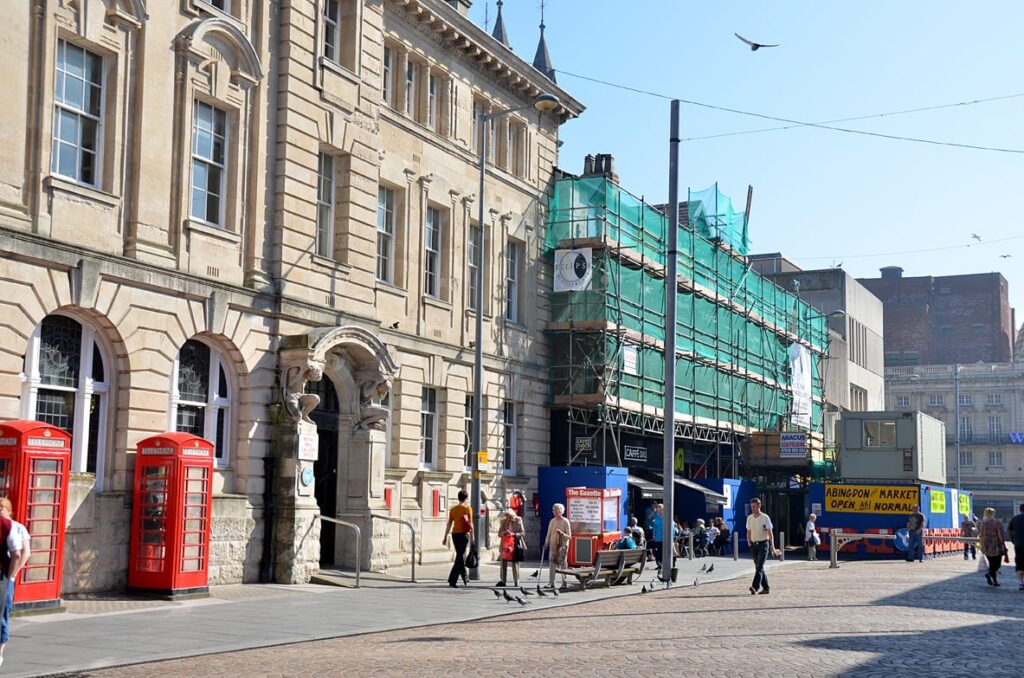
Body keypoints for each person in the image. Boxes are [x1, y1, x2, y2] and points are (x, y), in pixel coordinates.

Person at [0, 498, 26, 667]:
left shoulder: (17, 527)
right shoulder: (7, 526)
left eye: (3, 507)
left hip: (6, 577)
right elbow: (16, 553)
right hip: (3, 576)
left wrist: (12, 574)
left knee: (4, 614)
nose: (1, 510)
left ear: (10, 510)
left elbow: (25, 553)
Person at [746, 497, 780, 595]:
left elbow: (770, 532)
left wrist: (772, 546)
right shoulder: (749, 518)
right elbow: (748, 531)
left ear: (759, 506)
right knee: (758, 567)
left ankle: (755, 587)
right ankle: (766, 588)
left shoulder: (765, 517)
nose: (752, 508)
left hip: (763, 544)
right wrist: (749, 542)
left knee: (759, 565)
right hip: (754, 544)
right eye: (751, 506)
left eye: (754, 506)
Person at [442, 490, 473, 588]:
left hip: (455, 534)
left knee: (459, 556)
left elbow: (449, 524)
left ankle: (465, 577)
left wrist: (445, 536)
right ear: (466, 498)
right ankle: (452, 579)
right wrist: (473, 537)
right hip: (464, 534)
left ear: (458, 497)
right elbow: (471, 524)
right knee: (460, 556)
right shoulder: (468, 509)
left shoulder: (453, 509)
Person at [979, 507, 1007, 587]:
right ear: (993, 514)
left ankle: (994, 581)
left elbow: (981, 534)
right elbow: (1000, 534)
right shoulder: (997, 522)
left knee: (991, 562)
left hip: (986, 543)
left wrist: (982, 544)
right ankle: (989, 574)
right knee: (997, 563)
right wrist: (1003, 544)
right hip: (995, 542)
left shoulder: (983, 523)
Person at [545, 503, 571, 590]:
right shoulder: (552, 521)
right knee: (552, 563)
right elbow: (549, 533)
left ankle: (564, 583)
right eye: (554, 510)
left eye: (557, 510)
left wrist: (562, 533)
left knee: (562, 564)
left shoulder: (565, 521)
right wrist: (546, 543)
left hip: (562, 546)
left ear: (561, 511)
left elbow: (569, 536)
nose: (555, 512)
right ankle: (551, 582)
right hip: (553, 545)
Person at [497, 508, 525, 587]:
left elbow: (523, 533)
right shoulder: (503, 521)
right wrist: (504, 532)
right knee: (503, 562)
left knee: (515, 562)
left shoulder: (518, 520)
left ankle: (516, 581)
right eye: (506, 516)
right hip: (505, 544)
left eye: (509, 517)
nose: (508, 518)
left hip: (515, 544)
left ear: (512, 516)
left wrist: (513, 534)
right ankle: (503, 581)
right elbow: (499, 534)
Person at [1007, 503, 1024, 591]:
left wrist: (1013, 540)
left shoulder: (1015, 519)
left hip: (1018, 545)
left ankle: (1021, 583)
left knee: (1019, 564)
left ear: (1020, 510)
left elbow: (1009, 531)